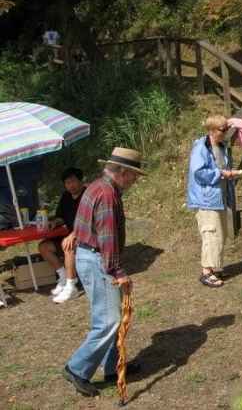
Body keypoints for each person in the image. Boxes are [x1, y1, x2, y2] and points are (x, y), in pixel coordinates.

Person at [63, 147, 145, 397]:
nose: (135, 180)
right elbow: (107, 239)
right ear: (123, 172)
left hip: (90, 258)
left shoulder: (96, 186)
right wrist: (117, 272)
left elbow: (82, 224)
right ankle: (77, 368)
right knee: (108, 321)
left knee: (112, 315)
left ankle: (113, 366)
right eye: (134, 175)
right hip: (96, 260)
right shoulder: (107, 194)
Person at [187, 115, 242, 288]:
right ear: (211, 130)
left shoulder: (221, 146)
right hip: (206, 199)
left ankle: (215, 268)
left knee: (220, 234)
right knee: (211, 234)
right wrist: (222, 174)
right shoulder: (201, 148)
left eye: (227, 129)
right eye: (222, 130)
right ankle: (206, 273)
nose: (225, 132)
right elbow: (198, 172)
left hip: (219, 196)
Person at [38, 167, 85, 303]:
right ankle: (63, 277)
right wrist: (55, 222)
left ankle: (72, 286)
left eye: (73, 181)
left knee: (67, 246)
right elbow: (61, 217)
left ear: (80, 181)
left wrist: (74, 234)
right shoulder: (66, 196)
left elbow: (89, 221)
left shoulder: (87, 195)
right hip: (71, 235)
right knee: (44, 247)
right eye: (67, 183)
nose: (70, 185)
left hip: (87, 236)